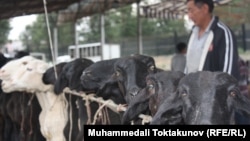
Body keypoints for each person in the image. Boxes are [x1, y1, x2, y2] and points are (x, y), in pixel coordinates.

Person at [185, 0, 240, 81]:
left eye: (191, 10)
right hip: (193, 91)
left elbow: (228, 72)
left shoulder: (222, 33)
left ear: (205, 8)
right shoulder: (193, 33)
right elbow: (188, 65)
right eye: (188, 11)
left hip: (211, 92)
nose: (189, 16)